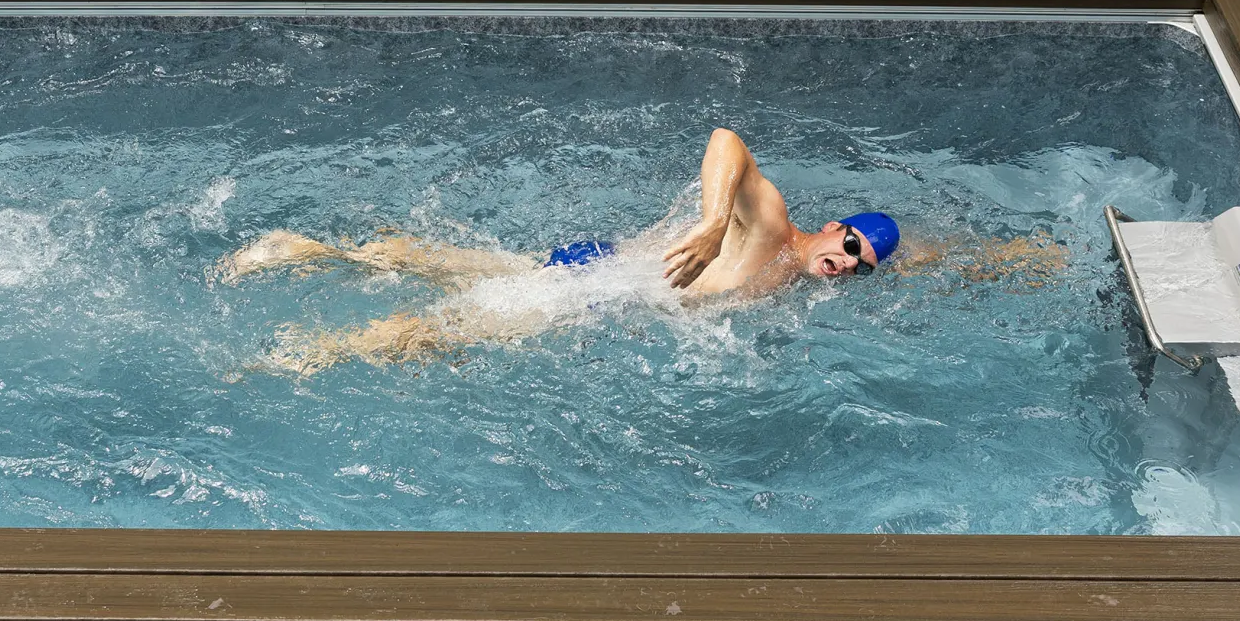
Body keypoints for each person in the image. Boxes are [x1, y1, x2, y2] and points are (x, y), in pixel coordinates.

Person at [219, 128, 918, 376]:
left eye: (862, 269)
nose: (849, 263)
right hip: (597, 290)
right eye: (851, 245)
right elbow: (726, 141)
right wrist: (711, 225)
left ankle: (305, 249)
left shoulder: (806, 272)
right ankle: (307, 355)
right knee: (445, 334)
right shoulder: (773, 228)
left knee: (445, 264)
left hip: (600, 261)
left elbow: (926, 257)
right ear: (833, 227)